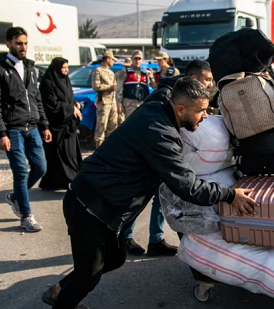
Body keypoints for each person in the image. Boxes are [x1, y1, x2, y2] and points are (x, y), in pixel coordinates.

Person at [42, 77, 257, 309]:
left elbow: (166, 86)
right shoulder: (160, 134)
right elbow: (187, 186)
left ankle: (61, 291)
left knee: (114, 258)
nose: (205, 116)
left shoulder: (159, 103)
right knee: (89, 275)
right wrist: (230, 195)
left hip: (105, 205)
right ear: (181, 108)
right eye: (201, 111)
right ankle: (63, 300)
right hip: (89, 206)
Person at [123, 59, 215, 256]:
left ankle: (156, 239)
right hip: (151, 155)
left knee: (162, 198)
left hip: (169, 153)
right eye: (207, 79)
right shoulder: (165, 95)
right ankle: (125, 237)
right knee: (140, 196)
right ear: (193, 78)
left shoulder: (193, 98)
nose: (210, 84)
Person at [0, 27, 52, 232]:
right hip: (12, 129)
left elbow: (36, 99)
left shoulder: (30, 68)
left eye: (25, 43)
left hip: (31, 127)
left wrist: (44, 125)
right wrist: (0, 133)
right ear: (8, 44)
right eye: (18, 43)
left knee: (41, 168)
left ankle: (15, 196)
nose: (23, 47)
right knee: (20, 171)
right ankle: (26, 215)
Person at [38, 57, 83, 191]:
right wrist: (70, 109)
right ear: (57, 68)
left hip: (68, 126)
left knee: (70, 154)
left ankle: (57, 182)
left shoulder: (65, 80)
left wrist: (75, 104)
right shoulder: (48, 83)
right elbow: (51, 105)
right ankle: (70, 181)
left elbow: (68, 97)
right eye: (64, 68)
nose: (66, 71)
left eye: (67, 68)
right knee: (60, 155)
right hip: (56, 125)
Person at [115, 50, 153, 118]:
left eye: (139, 59)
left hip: (142, 103)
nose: (137, 61)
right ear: (132, 59)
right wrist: (119, 102)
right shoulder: (125, 71)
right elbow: (119, 88)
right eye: (135, 59)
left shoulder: (144, 73)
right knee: (130, 125)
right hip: (130, 103)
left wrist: (152, 78)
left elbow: (152, 87)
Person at [92, 51, 117, 148]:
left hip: (112, 101)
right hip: (103, 102)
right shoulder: (98, 71)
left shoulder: (111, 72)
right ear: (107, 59)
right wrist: (110, 87)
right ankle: (99, 148)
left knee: (113, 125)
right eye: (112, 60)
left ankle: (111, 148)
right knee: (101, 125)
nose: (113, 62)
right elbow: (96, 86)